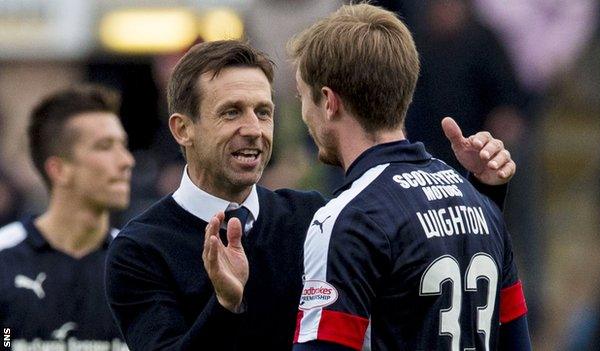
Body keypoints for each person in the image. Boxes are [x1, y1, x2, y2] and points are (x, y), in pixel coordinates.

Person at [105, 40, 517, 350]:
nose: (253, 129)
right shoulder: (140, 249)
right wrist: (225, 306)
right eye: (231, 112)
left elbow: (429, 282)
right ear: (182, 129)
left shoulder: (315, 215)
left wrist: (479, 196)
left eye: (263, 112)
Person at [288, 4, 530, 350]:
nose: (303, 114)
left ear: (328, 101)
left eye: (303, 98)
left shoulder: (346, 219)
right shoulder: (481, 205)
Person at [0, 85, 134, 350]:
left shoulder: (139, 262)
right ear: (59, 170)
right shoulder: (4, 257)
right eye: (105, 146)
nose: (126, 161)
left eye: (124, 145)